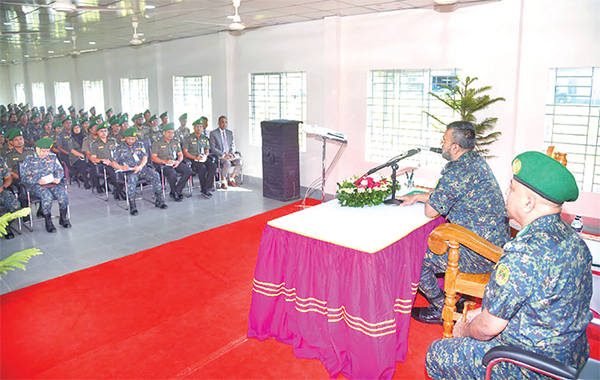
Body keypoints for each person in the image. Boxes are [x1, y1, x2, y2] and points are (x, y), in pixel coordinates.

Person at [426, 151, 592, 379]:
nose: (507, 192)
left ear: (529, 203)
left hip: (529, 365)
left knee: (436, 354)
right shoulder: (572, 239)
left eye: (512, 188)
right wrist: (482, 313)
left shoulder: (524, 253)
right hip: (570, 354)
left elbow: (487, 329)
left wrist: (463, 329)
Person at [398, 121, 509, 324]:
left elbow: (430, 211)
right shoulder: (473, 161)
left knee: (417, 257)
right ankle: (450, 302)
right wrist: (418, 196)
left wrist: (425, 200)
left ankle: (441, 308)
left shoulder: (457, 171)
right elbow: (450, 193)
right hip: (495, 243)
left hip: (481, 253)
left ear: (455, 147)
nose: (442, 143)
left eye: (445, 140)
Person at [112, 127, 167, 215]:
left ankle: (159, 199)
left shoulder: (139, 145)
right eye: (129, 139)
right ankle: (132, 205)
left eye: (133, 139)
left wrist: (140, 166)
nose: (131, 141)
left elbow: (145, 157)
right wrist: (122, 167)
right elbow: (113, 163)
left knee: (155, 174)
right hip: (130, 171)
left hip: (141, 169)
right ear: (125, 138)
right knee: (132, 179)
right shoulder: (119, 147)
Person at [20, 137, 71, 233]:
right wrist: (37, 181)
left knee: (63, 194)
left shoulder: (52, 157)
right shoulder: (29, 159)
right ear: (37, 149)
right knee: (47, 196)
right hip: (36, 185)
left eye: (47, 151)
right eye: (43, 151)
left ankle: (63, 218)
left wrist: (58, 178)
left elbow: (59, 170)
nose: (45, 154)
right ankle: (48, 221)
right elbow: (24, 177)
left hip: (52, 183)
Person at [151, 122, 192, 201]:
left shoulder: (175, 141)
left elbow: (180, 154)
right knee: (172, 174)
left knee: (188, 170)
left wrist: (178, 161)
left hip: (174, 162)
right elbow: (153, 158)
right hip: (163, 165)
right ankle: (175, 192)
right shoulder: (158, 143)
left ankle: (176, 191)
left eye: (172, 133)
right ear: (164, 133)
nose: (170, 134)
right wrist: (165, 162)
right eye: (168, 132)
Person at [183, 118, 216, 198]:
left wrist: (205, 156)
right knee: (202, 168)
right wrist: (195, 157)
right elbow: (185, 152)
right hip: (193, 159)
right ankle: (204, 189)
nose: (199, 129)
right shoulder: (188, 138)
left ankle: (206, 187)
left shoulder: (204, 138)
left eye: (201, 127)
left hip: (202, 158)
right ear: (194, 128)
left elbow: (207, 150)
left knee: (213, 166)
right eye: (197, 127)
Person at [209, 115, 242, 189]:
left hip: (229, 155)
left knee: (239, 162)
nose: (224, 124)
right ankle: (224, 181)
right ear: (218, 123)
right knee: (227, 163)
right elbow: (213, 148)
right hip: (220, 156)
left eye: (226, 122)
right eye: (222, 122)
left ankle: (231, 179)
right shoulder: (213, 133)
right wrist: (224, 155)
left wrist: (231, 153)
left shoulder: (229, 133)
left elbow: (232, 145)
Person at [89, 123, 120, 197]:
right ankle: (120, 191)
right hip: (103, 165)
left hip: (115, 162)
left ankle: (118, 191)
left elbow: (119, 152)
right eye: (101, 131)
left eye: (105, 131)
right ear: (98, 133)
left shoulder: (112, 141)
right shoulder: (95, 144)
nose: (104, 133)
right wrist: (102, 160)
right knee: (113, 174)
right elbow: (93, 159)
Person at [0, 156, 21, 239]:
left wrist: (3, 187)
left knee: (16, 206)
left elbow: (8, 178)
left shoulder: (0, 160)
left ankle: (5, 225)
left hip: (1, 191)